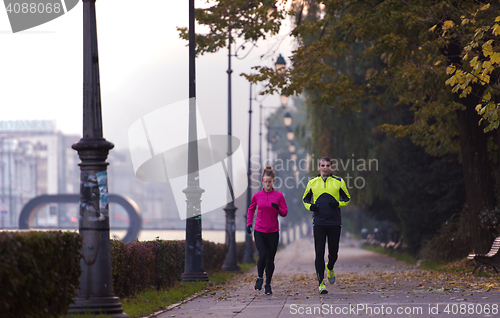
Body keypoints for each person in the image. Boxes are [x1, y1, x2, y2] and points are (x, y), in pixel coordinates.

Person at [302, 157, 351, 294]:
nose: (325, 168)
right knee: (319, 252)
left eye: (327, 165)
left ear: (331, 168)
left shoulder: (339, 182)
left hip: (334, 222)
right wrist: (311, 207)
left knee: (334, 253)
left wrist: (338, 204)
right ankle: (321, 284)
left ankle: (330, 267)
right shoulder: (312, 183)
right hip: (319, 222)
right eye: (322, 165)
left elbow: (347, 199)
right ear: (318, 167)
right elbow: (305, 199)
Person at [247, 166, 288, 295]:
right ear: (262, 182)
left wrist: (278, 209)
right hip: (259, 230)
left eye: (269, 181)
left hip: (273, 232)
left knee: (270, 259)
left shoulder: (279, 196)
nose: (267, 184)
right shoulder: (257, 196)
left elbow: (284, 212)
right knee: (263, 254)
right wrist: (249, 223)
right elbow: (251, 210)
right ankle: (260, 277)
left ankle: (268, 284)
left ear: (273, 181)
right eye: (265, 181)